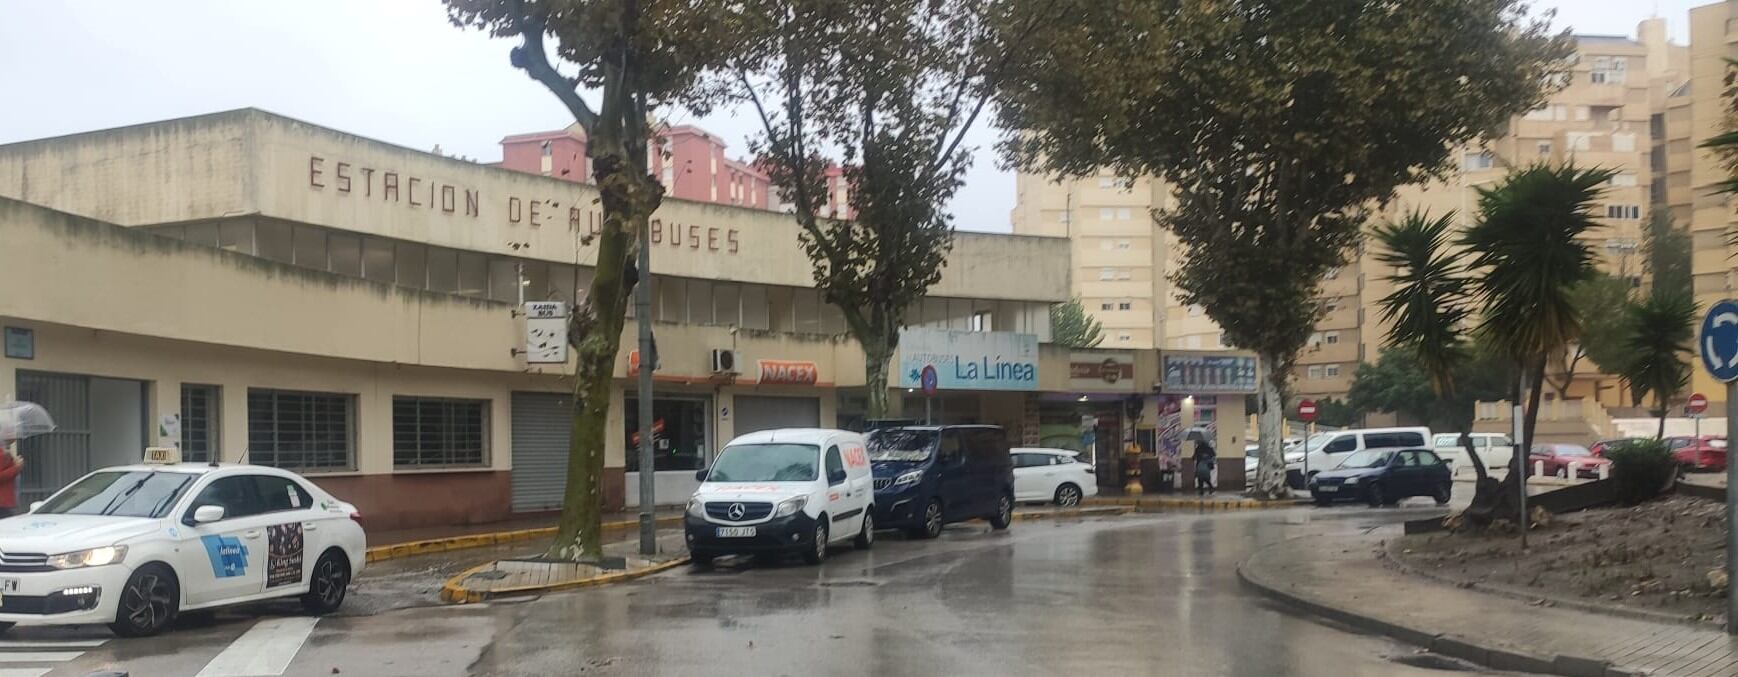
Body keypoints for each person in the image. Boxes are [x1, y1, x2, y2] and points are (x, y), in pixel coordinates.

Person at [0, 449, 21, 519]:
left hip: (8, 502)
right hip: (4, 503)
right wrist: (16, 468)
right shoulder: (3, 454)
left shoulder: (5, 453)